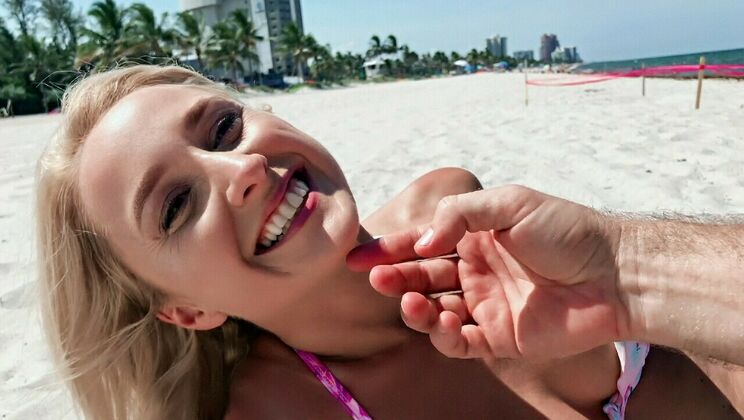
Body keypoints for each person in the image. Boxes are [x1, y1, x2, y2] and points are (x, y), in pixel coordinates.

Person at [36, 65, 737, 420]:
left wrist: (624, 267)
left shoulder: (456, 210)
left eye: (223, 129)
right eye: (176, 206)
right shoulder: (280, 412)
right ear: (187, 311)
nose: (242, 169)